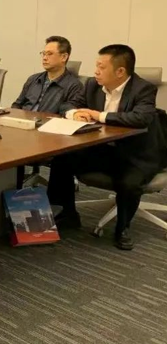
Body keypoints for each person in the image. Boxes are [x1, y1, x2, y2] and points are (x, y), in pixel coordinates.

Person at [47, 44, 166, 250]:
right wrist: (74, 113)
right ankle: (67, 214)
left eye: (101, 67)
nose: (96, 71)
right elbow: (67, 104)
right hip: (103, 150)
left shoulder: (143, 89)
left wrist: (99, 115)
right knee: (62, 160)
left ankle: (123, 228)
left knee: (129, 183)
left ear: (120, 72)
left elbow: (141, 118)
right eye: (96, 66)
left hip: (136, 154)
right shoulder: (92, 85)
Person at [11, 36, 85, 114]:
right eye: (44, 54)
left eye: (50, 54)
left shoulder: (74, 86)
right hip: (23, 120)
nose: (44, 58)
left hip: (47, 121)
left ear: (64, 57)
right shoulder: (33, 79)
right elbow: (17, 105)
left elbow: (69, 113)